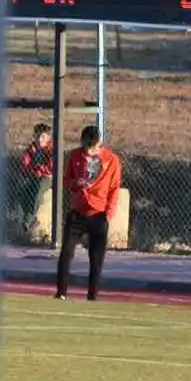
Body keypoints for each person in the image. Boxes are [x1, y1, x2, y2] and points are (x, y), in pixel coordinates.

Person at [55, 125, 123, 302]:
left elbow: (114, 188)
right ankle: (61, 292)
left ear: (99, 143)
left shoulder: (111, 160)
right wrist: (74, 184)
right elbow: (67, 180)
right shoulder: (75, 156)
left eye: (92, 147)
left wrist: (108, 213)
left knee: (96, 258)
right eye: (86, 146)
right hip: (77, 213)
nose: (88, 151)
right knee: (66, 253)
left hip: (99, 214)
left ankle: (92, 296)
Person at [18, 122, 53, 238]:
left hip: (47, 177)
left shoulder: (51, 149)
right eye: (37, 136)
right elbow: (25, 165)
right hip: (33, 176)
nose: (39, 139)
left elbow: (50, 167)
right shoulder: (31, 149)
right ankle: (32, 219)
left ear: (48, 138)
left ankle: (28, 220)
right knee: (23, 189)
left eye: (43, 136)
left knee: (38, 190)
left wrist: (37, 169)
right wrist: (32, 171)